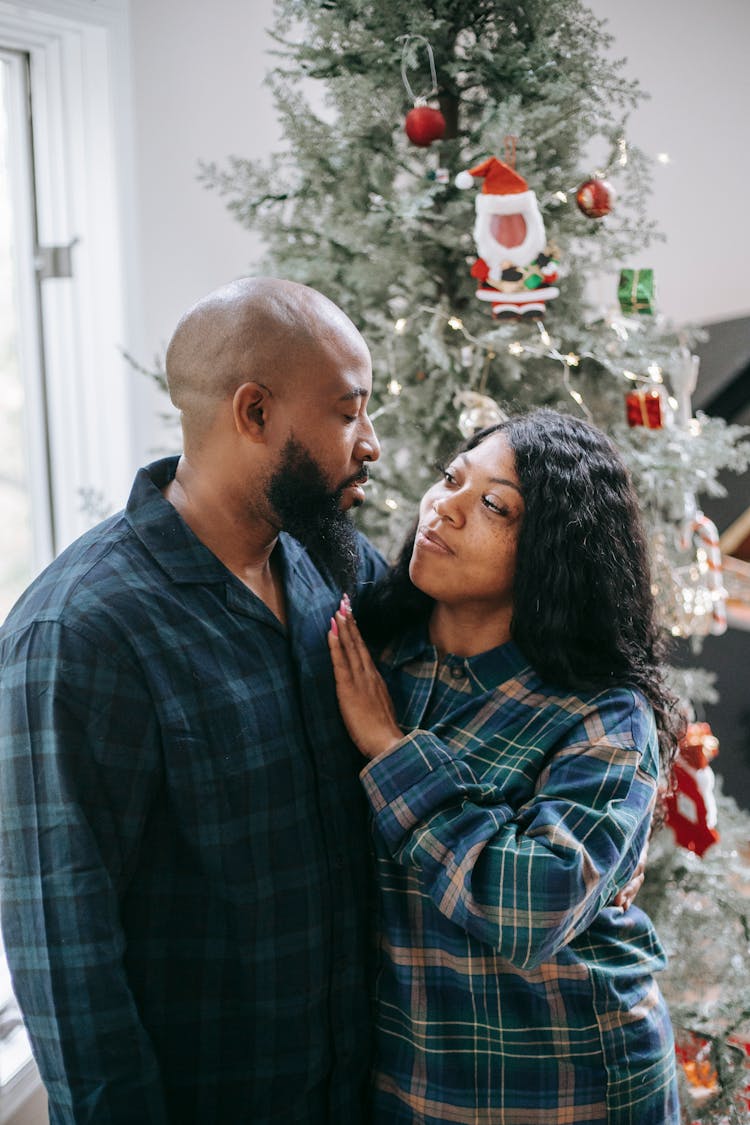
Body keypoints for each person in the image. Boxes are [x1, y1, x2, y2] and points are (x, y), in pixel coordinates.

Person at [0, 277, 385, 1124]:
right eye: (349, 411)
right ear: (254, 412)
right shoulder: (81, 634)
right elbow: (69, 964)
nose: (373, 443)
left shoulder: (333, 568)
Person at [328, 409, 681, 1125]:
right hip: (414, 1086)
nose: (445, 508)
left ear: (553, 548)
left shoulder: (602, 715)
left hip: (570, 1086)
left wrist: (394, 753)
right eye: (451, 480)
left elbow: (534, 907)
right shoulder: (378, 657)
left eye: (494, 504)